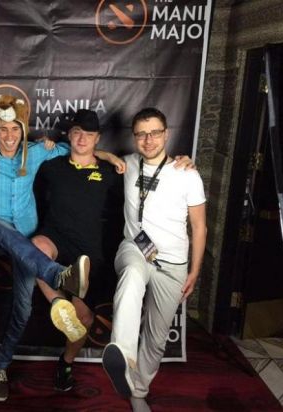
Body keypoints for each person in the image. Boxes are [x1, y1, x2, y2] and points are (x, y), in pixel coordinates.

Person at [0, 95, 126, 401]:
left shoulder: (37, 154)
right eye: (3, 129)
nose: (9, 136)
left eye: (15, 129)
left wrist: (109, 157)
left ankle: (0, 367)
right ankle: (57, 276)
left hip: (26, 247)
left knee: (22, 310)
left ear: (23, 131)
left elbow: (81, 150)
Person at [101, 107, 207, 412]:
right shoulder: (128, 164)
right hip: (135, 248)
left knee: (157, 338)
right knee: (132, 276)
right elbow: (92, 150)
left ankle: (139, 390)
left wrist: (195, 271)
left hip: (173, 265)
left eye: (155, 133)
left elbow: (199, 226)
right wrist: (105, 155)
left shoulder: (187, 174)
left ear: (166, 134)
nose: (148, 140)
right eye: (141, 134)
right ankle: (123, 356)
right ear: (134, 137)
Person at [31, 109, 123, 392]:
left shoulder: (111, 172)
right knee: (35, 248)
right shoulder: (51, 165)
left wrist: (108, 157)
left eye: (89, 134)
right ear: (69, 135)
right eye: (77, 133)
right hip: (56, 240)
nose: (82, 139)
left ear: (98, 139)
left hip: (88, 254)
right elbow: (13, 153)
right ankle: (59, 302)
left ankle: (66, 362)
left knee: (83, 320)